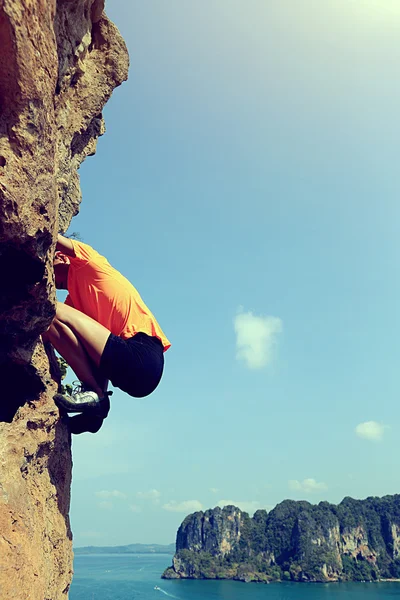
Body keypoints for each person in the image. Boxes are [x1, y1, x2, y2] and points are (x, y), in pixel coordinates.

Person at [42, 234, 171, 434]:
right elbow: (84, 350)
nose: (48, 274)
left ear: (62, 257)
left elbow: (49, 233)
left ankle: (98, 398)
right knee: (49, 324)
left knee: (49, 309)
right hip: (129, 372)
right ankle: (95, 410)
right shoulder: (74, 305)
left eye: (49, 265)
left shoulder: (87, 262)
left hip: (142, 355)